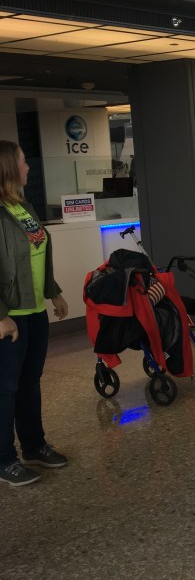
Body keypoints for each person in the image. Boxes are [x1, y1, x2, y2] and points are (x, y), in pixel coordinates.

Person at [0, 141, 69, 487]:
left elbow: (40, 254)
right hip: (10, 315)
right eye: (23, 161)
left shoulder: (23, 207)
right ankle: (3, 459)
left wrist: (53, 291)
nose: (28, 167)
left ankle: (33, 446)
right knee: (6, 388)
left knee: (29, 382)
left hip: (35, 310)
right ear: (8, 167)